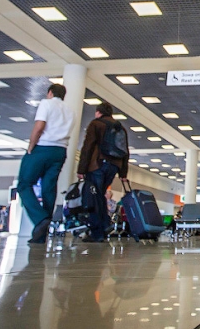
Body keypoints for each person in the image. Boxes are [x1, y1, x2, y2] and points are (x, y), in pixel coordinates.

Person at [18, 83, 76, 244]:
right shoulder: (71, 111)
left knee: (24, 184)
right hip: (60, 151)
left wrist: (31, 146)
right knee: (49, 188)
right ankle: (40, 234)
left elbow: (39, 126)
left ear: (50, 93)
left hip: (42, 148)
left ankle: (40, 218)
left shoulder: (46, 103)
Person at [78, 101, 130, 242]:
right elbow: (126, 152)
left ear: (98, 112)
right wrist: (123, 173)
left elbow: (87, 147)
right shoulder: (120, 128)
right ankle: (104, 226)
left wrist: (81, 168)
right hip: (113, 166)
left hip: (97, 165)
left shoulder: (96, 124)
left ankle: (97, 232)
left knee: (94, 197)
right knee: (100, 196)